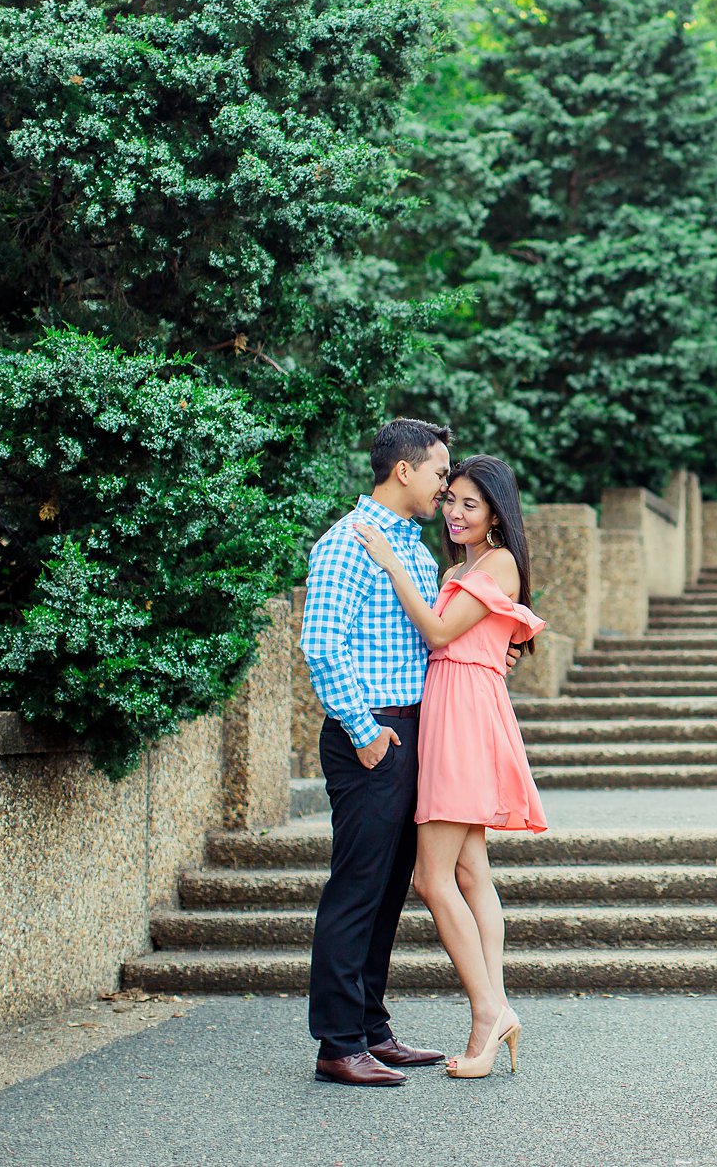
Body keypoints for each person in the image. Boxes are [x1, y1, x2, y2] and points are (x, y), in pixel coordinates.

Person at [356, 455, 546, 1078]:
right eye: (452, 501)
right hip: (460, 706)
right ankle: (490, 1014)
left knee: (431, 879)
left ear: (496, 511)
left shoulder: (496, 563)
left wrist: (389, 563)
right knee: (469, 870)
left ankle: (489, 1012)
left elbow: (439, 633)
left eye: (471, 504)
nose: (457, 513)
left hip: (462, 715)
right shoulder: (469, 565)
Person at [299, 418, 456, 1089]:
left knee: (390, 888)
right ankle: (338, 1042)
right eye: (439, 473)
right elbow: (322, 643)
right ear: (404, 471)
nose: (445, 487)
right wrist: (363, 733)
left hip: (410, 728)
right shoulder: (347, 543)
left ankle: (369, 1028)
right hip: (373, 733)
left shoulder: (409, 547)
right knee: (358, 887)